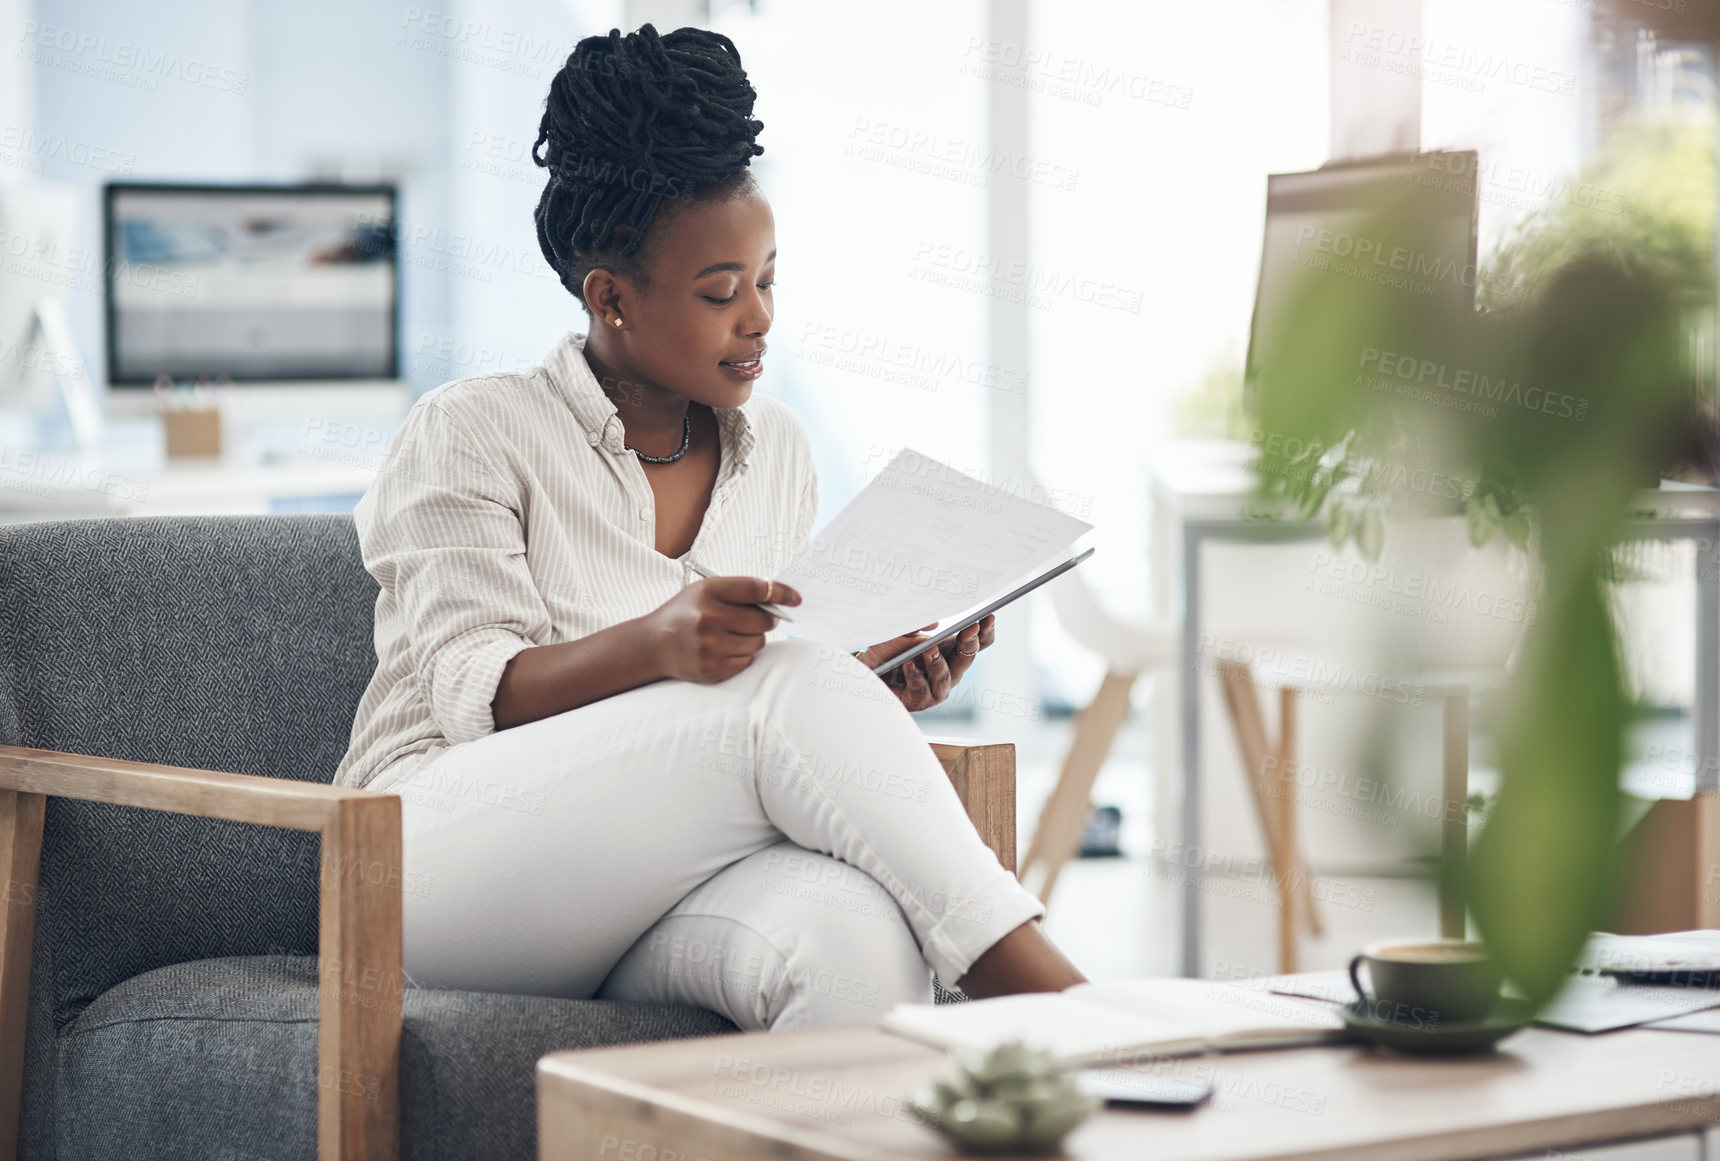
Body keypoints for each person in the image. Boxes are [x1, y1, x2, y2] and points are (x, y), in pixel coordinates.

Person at [333, 22, 1086, 1031]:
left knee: (848, 939)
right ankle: (1063, 1009)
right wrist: (663, 644)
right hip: (421, 866)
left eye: (767, 279)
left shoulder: (776, 450)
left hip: (648, 872)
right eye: (720, 293)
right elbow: (484, 695)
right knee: (790, 692)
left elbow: (739, 716)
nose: (760, 318)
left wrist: (875, 683)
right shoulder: (470, 430)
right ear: (612, 300)